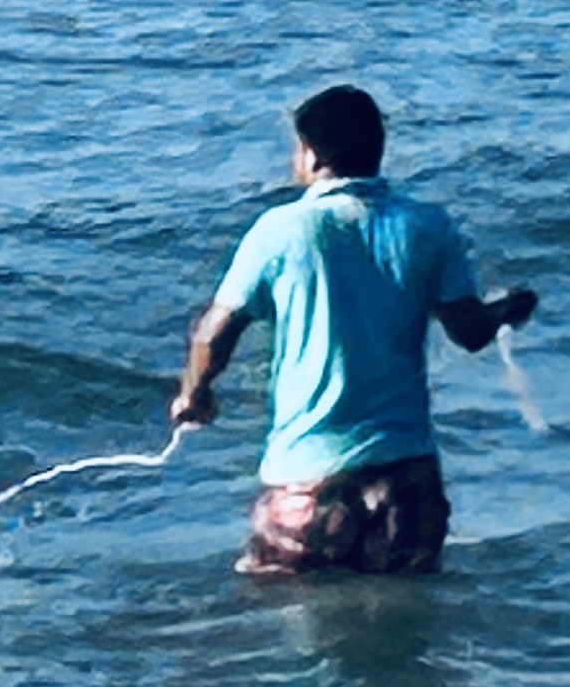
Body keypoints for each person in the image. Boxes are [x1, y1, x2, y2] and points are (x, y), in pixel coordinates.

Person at [171, 85, 540, 575]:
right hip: (404, 479)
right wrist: (504, 311)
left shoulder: (279, 230)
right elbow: (470, 332)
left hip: (307, 480)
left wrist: (194, 394)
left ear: (312, 154)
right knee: (406, 615)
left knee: (279, 612)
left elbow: (213, 332)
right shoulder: (427, 226)